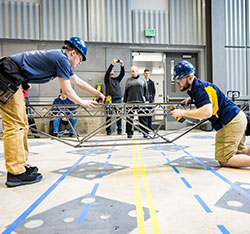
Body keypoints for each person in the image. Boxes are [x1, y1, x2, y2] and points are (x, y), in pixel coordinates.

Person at [0, 36, 105, 187]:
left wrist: (98, 94)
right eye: (81, 58)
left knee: (22, 124)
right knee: (16, 125)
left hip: (12, 77)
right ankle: (16, 173)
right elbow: (67, 91)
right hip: (7, 76)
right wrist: (82, 102)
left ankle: (20, 166)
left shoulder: (61, 59)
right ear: (73, 53)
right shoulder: (61, 58)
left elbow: (79, 82)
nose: (80, 63)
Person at [171, 60, 250, 168]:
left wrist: (182, 112)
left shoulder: (200, 89)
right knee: (241, 153)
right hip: (237, 118)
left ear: (189, 77)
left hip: (231, 121)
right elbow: (206, 98)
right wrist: (190, 99)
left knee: (225, 159)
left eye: (180, 79)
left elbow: (207, 112)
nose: (177, 82)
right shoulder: (196, 89)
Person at [124, 66, 149, 138]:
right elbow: (126, 92)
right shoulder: (128, 80)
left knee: (143, 118)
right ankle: (129, 133)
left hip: (140, 102)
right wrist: (124, 101)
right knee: (129, 118)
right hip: (130, 102)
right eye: (131, 71)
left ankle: (145, 132)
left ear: (137, 71)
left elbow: (146, 90)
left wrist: (147, 100)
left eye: (133, 71)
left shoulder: (142, 79)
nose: (132, 73)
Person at [104, 58, 125, 135]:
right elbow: (107, 73)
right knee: (109, 116)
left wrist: (122, 66)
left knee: (119, 116)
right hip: (110, 99)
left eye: (113, 71)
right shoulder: (107, 79)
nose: (112, 72)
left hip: (118, 99)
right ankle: (108, 131)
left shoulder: (117, 79)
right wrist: (112, 64)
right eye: (110, 71)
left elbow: (122, 74)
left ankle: (119, 130)